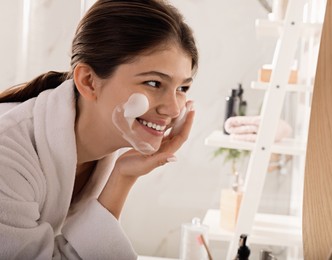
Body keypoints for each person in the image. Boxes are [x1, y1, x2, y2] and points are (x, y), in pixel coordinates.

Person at [0, 0, 198, 259]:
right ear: (88, 81)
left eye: (182, 88)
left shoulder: (101, 146)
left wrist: (123, 175)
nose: (173, 109)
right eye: (153, 82)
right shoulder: (7, 157)